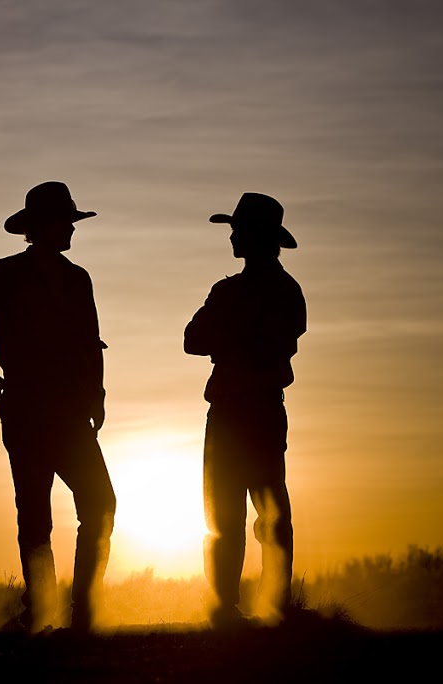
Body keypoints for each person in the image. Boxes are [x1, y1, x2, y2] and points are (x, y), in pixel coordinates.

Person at [0, 181, 116, 634]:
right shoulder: (6, 274)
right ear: (40, 228)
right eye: (65, 222)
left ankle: (82, 613)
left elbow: (89, 342)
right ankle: (42, 614)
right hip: (28, 409)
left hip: (70, 413)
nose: (72, 230)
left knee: (98, 503)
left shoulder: (79, 279)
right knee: (37, 514)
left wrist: (96, 394)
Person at [183, 192, 306, 627]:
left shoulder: (278, 292)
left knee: (267, 511)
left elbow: (266, 343)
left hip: (255, 411)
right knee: (228, 514)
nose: (233, 236)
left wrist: (230, 338)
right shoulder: (236, 290)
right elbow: (192, 339)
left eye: (238, 229)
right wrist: (240, 339)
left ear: (258, 237)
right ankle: (233, 608)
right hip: (237, 412)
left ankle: (271, 605)